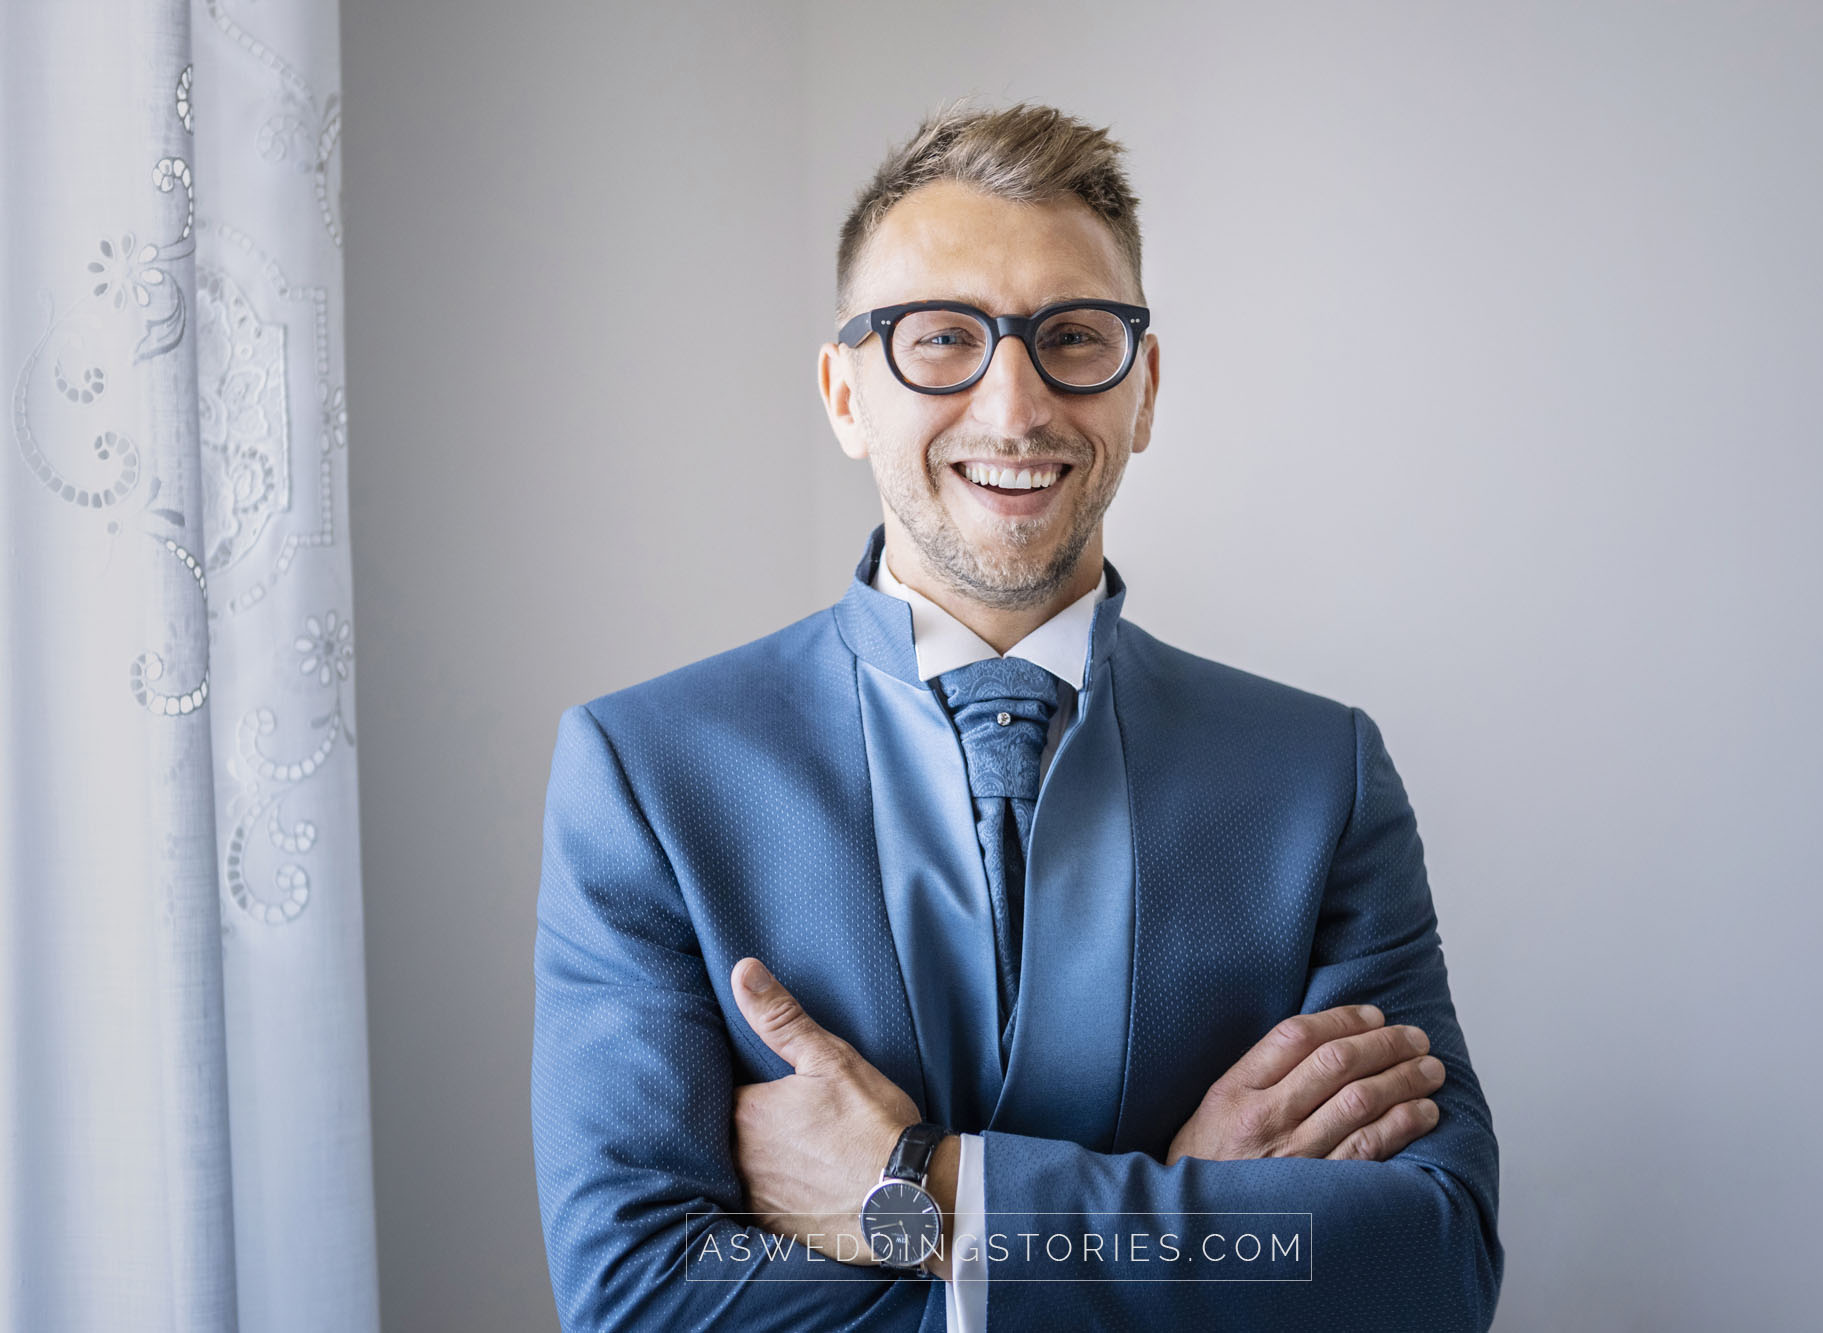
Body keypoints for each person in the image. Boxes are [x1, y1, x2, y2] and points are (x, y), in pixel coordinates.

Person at [531, 100, 1503, 1331]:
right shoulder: (645, 773)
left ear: (1142, 391)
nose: (1013, 408)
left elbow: (1427, 1267)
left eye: (1073, 336)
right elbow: (638, 1299)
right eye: (941, 338)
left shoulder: (1322, 777)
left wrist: (930, 1196)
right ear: (843, 395)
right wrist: (1190, 1222)